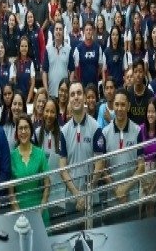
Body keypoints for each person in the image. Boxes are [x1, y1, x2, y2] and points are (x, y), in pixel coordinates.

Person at [61, 82, 105, 213]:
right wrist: (76, 194)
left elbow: (100, 163)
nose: (76, 97)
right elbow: (63, 168)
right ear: (69, 99)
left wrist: (86, 193)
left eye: (79, 93)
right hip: (71, 198)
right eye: (72, 94)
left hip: (92, 197)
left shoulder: (96, 127)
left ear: (84, 97)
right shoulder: (64, 131)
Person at [101, 88, 144, 210]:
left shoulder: (137, 131)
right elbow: (102, 168)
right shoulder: (104, 133)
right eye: (117, 104)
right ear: (113, 105)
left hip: (132, 198)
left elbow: (141, 166)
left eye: (123, 104)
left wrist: (124, 189)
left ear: (129, 106)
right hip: (111, 198)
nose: (119, 108)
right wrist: (117, 190)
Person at [9, 114, 50, 226]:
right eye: (20, 128)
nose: (23, 131)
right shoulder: (11, 157)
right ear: (16, 133)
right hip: (19, 215)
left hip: (40, 212)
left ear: (31, 131)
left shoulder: (40, 154)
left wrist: (40, 211)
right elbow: (11, 194)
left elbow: (47, 185)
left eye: (26, 128)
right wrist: (20, 215)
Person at [35, 98, 70, 220]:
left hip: (58, 196)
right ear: (42, 112)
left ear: (57, 114)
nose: (49, 115)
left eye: (52, 112)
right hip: (40, 197)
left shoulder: (63, 134)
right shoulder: (36, 133)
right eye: (47, 111)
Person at [138, 99, 156, 218]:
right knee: (140, 205)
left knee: (151, 205)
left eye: (153, 112)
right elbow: (138, 157)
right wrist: (143, 181)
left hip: (155, 172)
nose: (150, 114)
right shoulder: (140, 129)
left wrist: (152, 186)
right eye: (148, 111)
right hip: (142, 171)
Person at [42, 21, 72, 100]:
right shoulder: (47, 49)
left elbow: (72, 70)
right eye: (56, 29)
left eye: (60, 29)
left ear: (63, 32)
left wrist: (70, 88)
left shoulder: (68, 49)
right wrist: (46, 90)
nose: (58, 31)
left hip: (64, 93)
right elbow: (45, 72)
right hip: (51, 93)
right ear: (53, 32)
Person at [73, 21, 103, 89]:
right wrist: (79, 81)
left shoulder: (98, 47)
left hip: (94, 84)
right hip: (83, 84)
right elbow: (75, 68)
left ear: (92, 31)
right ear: (83, 32)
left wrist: (95, 76)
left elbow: (100, 66)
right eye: (86, 30)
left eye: (90, 29)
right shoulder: (78, 48)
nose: (88, 32)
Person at [127, 59, 154, 126]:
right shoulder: (128, 93)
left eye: (140, 71)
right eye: (135, 72)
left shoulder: (150, 94)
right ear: (133, 74)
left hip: (145, 132)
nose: (138, 75)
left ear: (144, 73)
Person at [13, 36, 35, 104]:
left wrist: (28, 100)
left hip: (28, 98)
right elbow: (14, 83)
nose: (24, 48)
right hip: (18, 99)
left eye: (26, 46)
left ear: (28, 48)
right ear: (19, 48)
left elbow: (32, 83)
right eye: (22, 46)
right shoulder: (15, 63)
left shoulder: (31, 63)